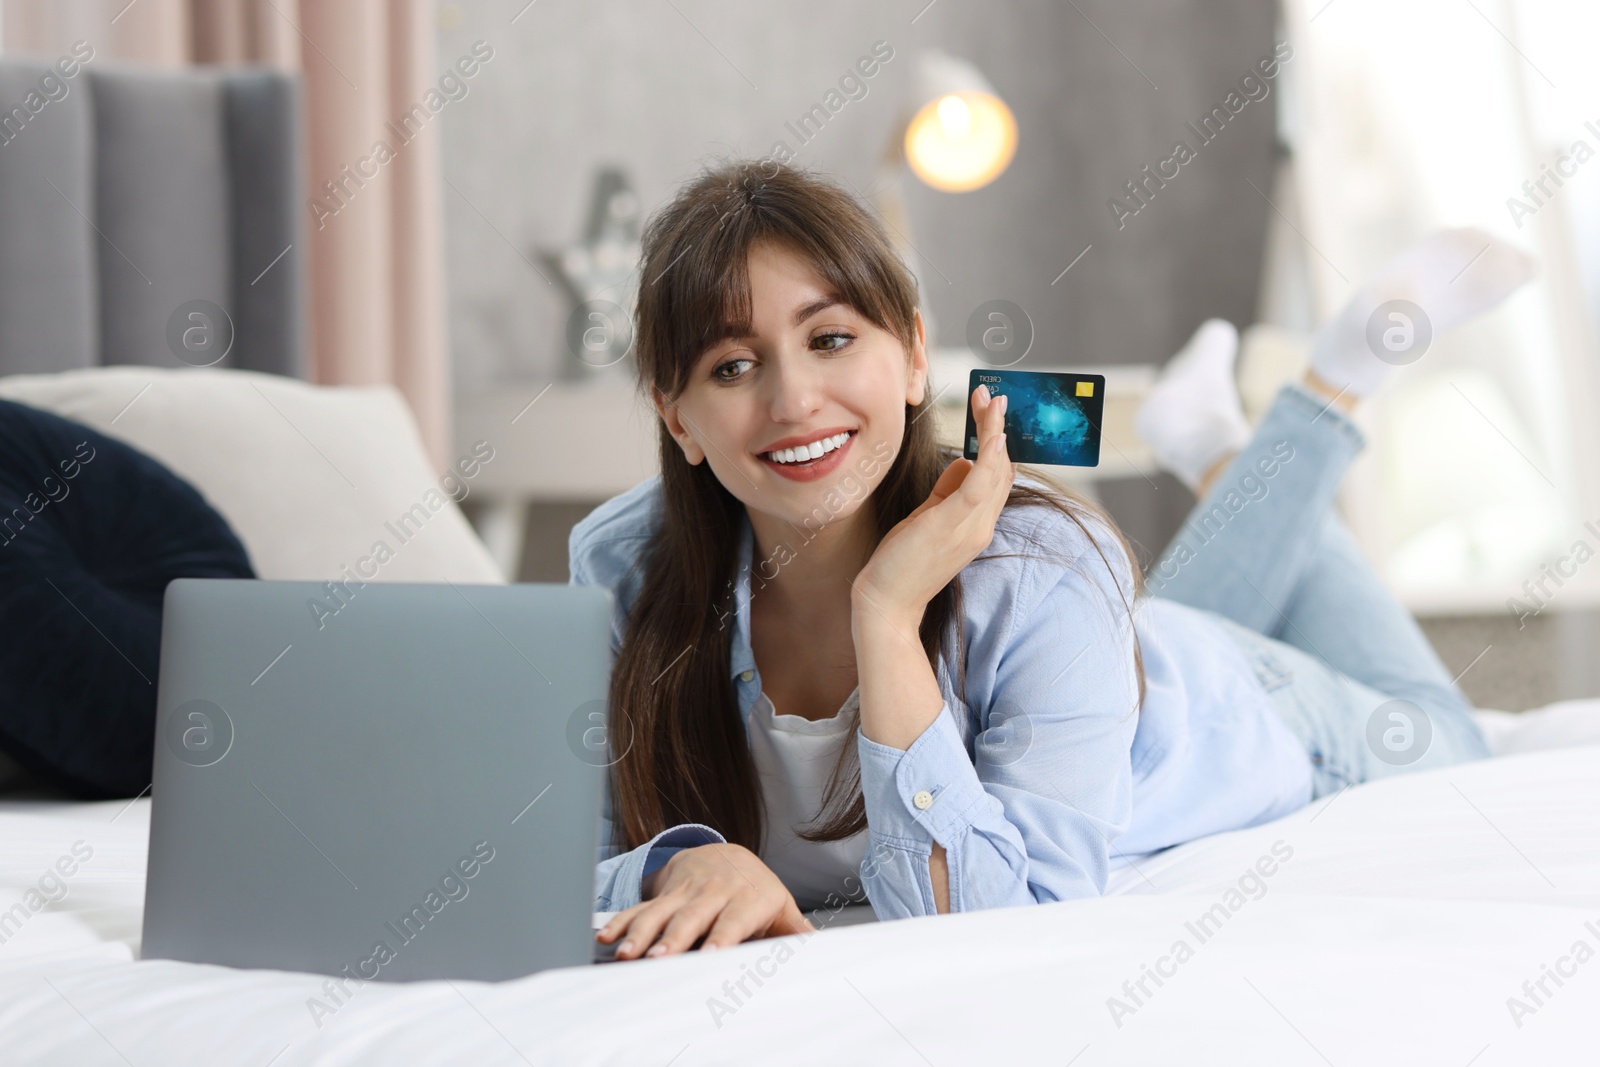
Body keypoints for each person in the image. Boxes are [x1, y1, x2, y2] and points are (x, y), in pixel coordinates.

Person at [579, 159, 1537, 961]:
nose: (792, 400)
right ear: (677, 415)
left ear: (915, 357)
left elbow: (1007, 929)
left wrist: (886, 611)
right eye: (732, 367)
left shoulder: (1042, 563)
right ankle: (1210, 444)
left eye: (831, 338)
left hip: (1242, 704)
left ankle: (1334, 381)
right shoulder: (625, 570)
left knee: (1448, 741)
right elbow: (553, 862)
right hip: (1116, 648)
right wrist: (680, 860)